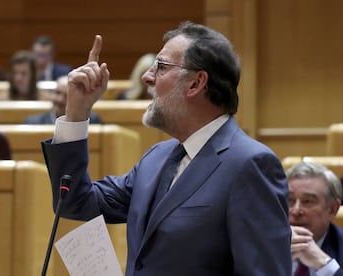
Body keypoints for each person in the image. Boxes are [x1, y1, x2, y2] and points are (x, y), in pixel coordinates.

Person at [42, 21, 291, 275]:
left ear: (196, 83)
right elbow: (75, 201)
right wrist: (76, 114)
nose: (146, 76)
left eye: (160, 67)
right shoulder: (156, 158)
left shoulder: (250, 164)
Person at [287, 161, 343, 275]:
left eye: (307, 201)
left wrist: (323, 263)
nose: (296, 211)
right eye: (289, 200)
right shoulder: (262, 244)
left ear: (333, 209)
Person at [23, 75, 102, 124]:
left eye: (66, 96)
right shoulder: (33, 123)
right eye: (57, 93)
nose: (60, 100)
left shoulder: (92, 121)